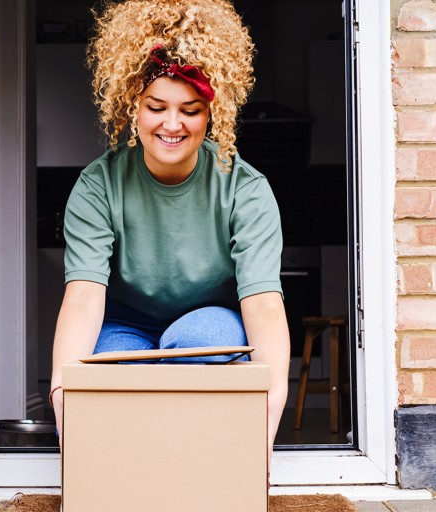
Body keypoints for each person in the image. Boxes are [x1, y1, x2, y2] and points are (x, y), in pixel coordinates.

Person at [49, 0, 290, 463]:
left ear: (211, 114)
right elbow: (82, 297)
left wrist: (270, 407)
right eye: (156, 107)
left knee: (198, 339)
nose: (172, 125)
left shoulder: (246, 189)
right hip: (125, 327)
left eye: (191, 110)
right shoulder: (98, 185)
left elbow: (262, 302)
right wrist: (63, 395)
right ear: (132, 107)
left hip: (207, 325)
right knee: (115, 370)